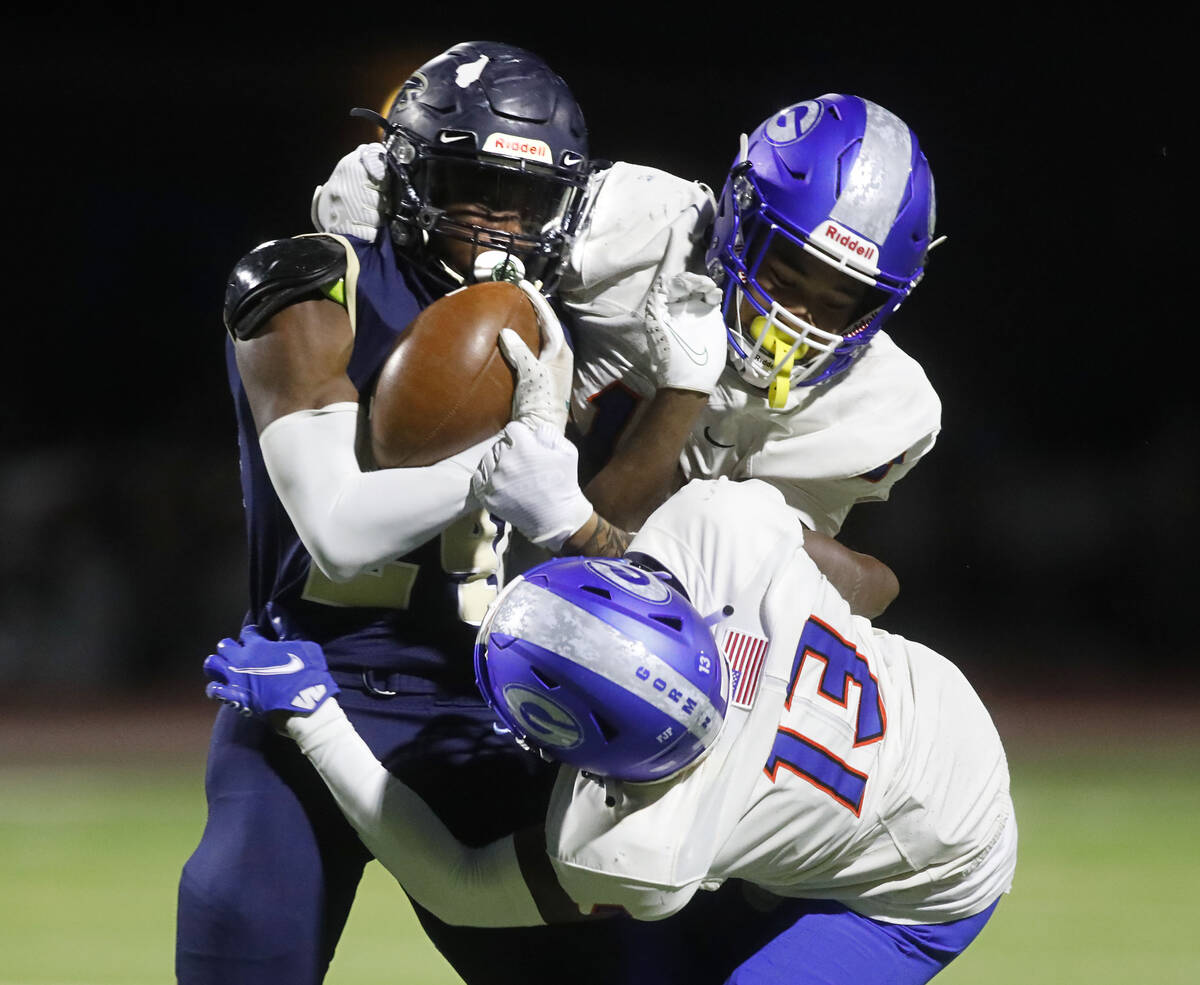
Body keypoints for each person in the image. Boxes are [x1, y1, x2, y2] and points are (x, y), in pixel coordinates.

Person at [176, 41, 634, 985]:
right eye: (472, 182)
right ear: (411, 167)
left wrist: (693, 381)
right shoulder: (310, 283)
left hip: (484, 711)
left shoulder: (550, 321)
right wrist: (498, 471)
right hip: (304, 687)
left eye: (531, 199)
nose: (501, 220)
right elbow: (338, 535)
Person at [204, 476, 1017, 985]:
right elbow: (865, 583)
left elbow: (458, 882)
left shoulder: (638, 847)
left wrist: (315, 716)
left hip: (931, 865)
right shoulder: (727, 527)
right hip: (937, 709)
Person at [314, 93, 941, 612]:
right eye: (785, 278)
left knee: (751, 537)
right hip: (487, 537)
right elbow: (366, 180)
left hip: (661, 608)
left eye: (836, 302)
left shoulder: (880, 404)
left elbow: (742, 573)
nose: (795, 318)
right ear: (738, 220)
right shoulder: (632, 228)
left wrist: (687, 399)